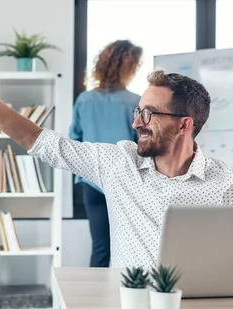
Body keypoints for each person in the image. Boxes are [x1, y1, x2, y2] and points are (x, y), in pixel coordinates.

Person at [0, 30, 233, 268]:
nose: (138, 123)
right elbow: (38, 139)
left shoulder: (226, 182)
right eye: (137, 112)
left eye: (149, 114)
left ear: (184, 125)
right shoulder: (117, 163)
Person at [70, 40, 143, 267]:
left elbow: (75, 140)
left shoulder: (85, 100)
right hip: (127, 181)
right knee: (132, 245)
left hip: (91, 182)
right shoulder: (135, 102)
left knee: (100, 247)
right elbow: (142, 145)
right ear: (130, 67)